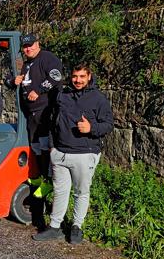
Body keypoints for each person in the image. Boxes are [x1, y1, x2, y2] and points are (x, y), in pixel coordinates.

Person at [32, 64, 114, 244]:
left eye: (82, 76)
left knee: (81, 192)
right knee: (60, 191)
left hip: (84, 154)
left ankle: (77, 227)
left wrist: (92, 128)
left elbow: (108, 124)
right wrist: (53, 147)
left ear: (89, 76)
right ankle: (55, 228)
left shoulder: (98, 99)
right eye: (75, 76)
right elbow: (53, 120)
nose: (78, 80)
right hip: (60, 153)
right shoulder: (63, 95)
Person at [5, 33, 63, 197]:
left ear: (38, 44)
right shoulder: (25, 63)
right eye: (25, 46)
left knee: (46, 147)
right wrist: (12, 81)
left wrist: (38, 91)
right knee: (35, 147)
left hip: (45, 111)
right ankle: (38, 178)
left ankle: (49, 181)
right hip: (31, 114)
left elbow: (56, 76)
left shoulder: (47, 58)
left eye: (31, 45)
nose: (28, 48)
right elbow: (9, 78)